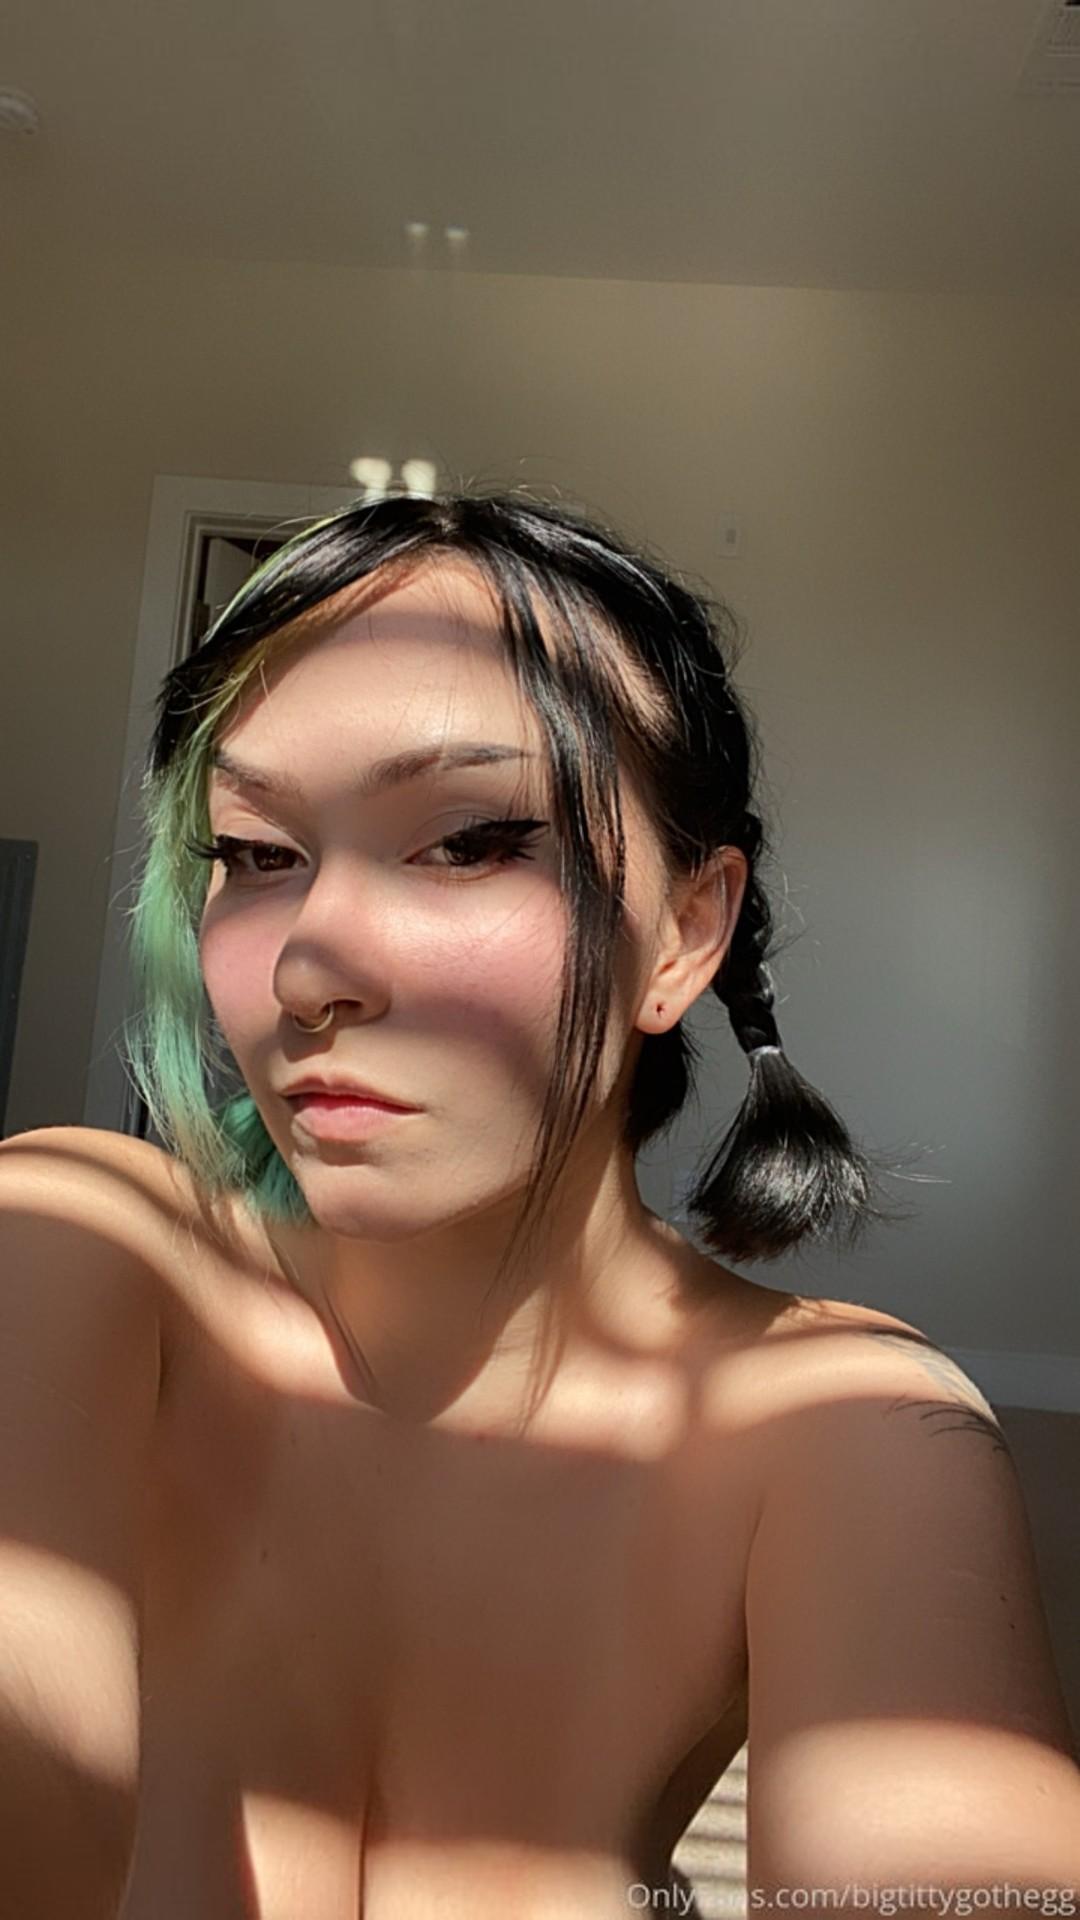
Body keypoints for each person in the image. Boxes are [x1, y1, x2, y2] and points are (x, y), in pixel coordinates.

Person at [2, 490, 1077, 1919]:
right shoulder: (73, 1240)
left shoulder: (842, 1425)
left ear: (684, 932)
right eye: (256, 853)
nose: (308, 964)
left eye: (465, 841)